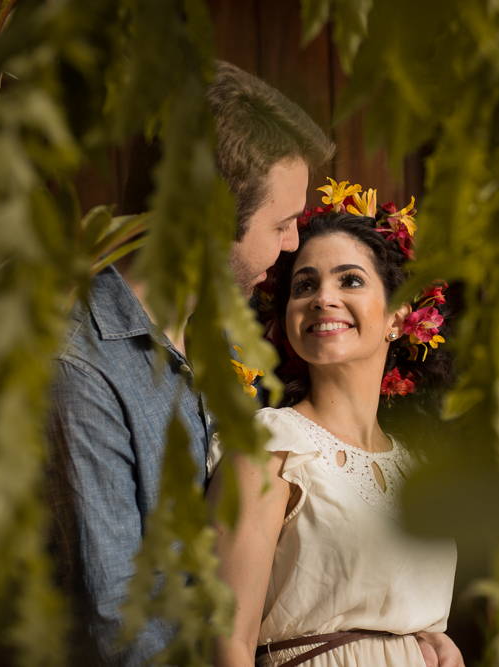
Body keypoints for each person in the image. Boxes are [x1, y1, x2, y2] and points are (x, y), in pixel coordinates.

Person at [46, 62, 336, 667]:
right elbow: (118, 626)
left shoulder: (229, 344)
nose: (289, 246)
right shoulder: (81, 369)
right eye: (281, 225)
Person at [208, 185, 465, 667]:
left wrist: (425, 645)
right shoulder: (271, 447)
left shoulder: (418, 468)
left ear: (398, 314)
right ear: (284, 320)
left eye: (349, 280)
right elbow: (228, 642)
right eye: (304, 285)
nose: (323, 297)